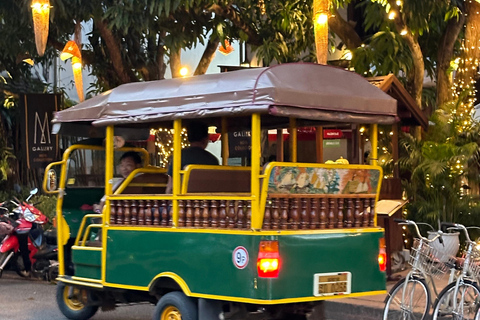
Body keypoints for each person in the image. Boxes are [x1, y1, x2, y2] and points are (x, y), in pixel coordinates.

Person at [166, 121, 219, 193]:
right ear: (206, 138)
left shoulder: (179, 156)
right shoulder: (213, 160)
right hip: (208, 202)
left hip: (183, 202)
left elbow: (171, 187)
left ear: (188, 138)